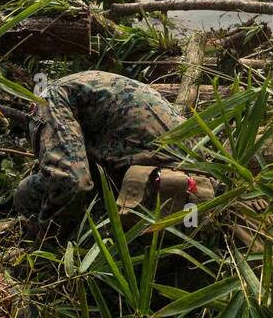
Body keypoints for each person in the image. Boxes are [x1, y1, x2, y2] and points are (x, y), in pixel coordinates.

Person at [14, 71, 210, 235]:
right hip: (200, 192)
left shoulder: (49, 100)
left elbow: (72, 182)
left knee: (27, 192)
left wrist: (46, 237)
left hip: (159, 195)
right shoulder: (92, 85)